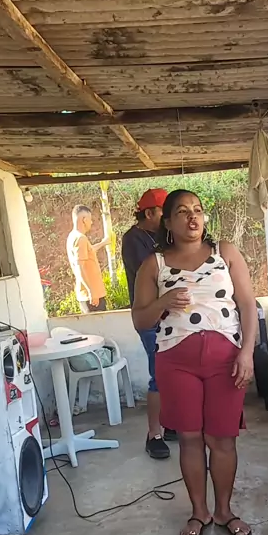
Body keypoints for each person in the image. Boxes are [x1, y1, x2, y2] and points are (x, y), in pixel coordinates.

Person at [132, 189, 259, 535]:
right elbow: (140, 320)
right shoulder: (153, 264)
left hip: (226, 361)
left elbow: (248, 305)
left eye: (198, 210)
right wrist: (163, 301)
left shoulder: (225, 253)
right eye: (183, 212)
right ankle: (199, 512)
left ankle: (224, 511)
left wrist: (247, 352)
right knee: (189, 438)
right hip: (176, 363)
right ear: (168, 222)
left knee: (222, 439)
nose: (193, 217)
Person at [122, 188, 176, 460]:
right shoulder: (133, 240)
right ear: (149, 213)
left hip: (170, 314)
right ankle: (154, 434)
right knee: (160, 373)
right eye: (164, 212)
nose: (167, 218)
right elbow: (156, 273)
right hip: (149, 315)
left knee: (174, 372)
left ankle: (170, 423)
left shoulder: (162, 236)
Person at [67, 204, 110, 313]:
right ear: (84, 220)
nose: (91, 222)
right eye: (90, 219)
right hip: (91, 296)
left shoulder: (73, 236)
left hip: (88, 294)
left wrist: (103, 243)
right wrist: (91, 291)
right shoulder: (80, 238)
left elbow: (89, 251)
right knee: (98, 323)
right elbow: (79, 267)